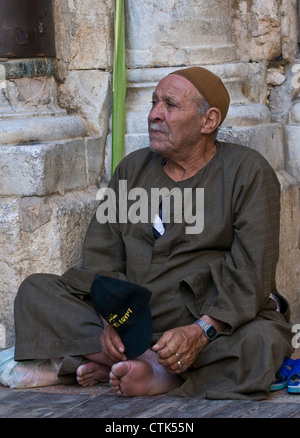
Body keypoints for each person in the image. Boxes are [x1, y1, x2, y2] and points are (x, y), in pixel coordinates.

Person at [13, 67, 294, 400]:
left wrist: (201, 331)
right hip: (131, 315)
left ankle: (156, 370)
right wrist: (110, 320)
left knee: (263, 340)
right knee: (36, 292)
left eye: (170, 106)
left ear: (209, 121)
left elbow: (252, 272)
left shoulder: (247, 172)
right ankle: (149, 363)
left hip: (197, 315)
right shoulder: (132, 169)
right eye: (153, 102)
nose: (153, 115)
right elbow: (101, 254)